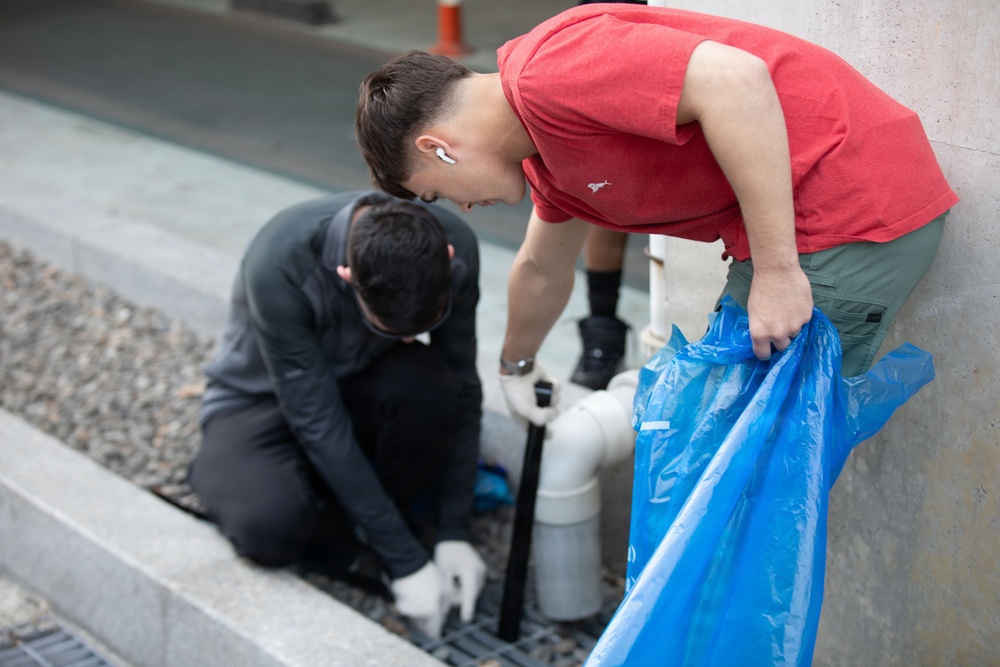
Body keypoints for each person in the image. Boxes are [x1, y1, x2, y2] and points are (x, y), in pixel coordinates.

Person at [354, 4, 957, 428]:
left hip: (846, 204)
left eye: (436, 192)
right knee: (723, 455)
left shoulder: (549, 73)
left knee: (740, 464)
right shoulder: (544, 158)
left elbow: (735, 80)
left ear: (439, 148)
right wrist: (516, 367)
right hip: (810, 222)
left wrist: (776, 270)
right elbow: (541, 266)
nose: (461, 206)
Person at [188, 191, 486, 638]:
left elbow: (463, 384)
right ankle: (339, 518)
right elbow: (317, 419)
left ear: (446, 258)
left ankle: (385, 517)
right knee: (267, 530)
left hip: (363, 382)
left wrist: (453, 530)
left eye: (420, 330)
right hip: (261, 399)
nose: (409, 341)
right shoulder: (281, 261)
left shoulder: (458, 246)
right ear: (348, 276)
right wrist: (403, 559)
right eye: (387, 328)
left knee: (431, 385)